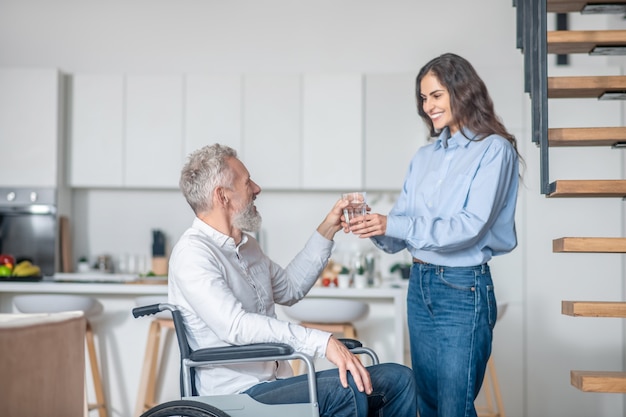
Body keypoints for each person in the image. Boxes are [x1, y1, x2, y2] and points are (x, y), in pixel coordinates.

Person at [168, 143, 417, 417]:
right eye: (247, 181)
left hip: (276, 383)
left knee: (399, 379)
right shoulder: (193, 254)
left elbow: (290, 288)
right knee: (346, 388)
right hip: (236, 392)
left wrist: (329, 227)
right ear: (222, 196)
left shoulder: (247, 246)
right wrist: (322, 342)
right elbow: (235, 326)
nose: (256, 188)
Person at [347, 53, 521, 417]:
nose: (428, 107)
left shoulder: (494, 149)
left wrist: (392, 224)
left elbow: (469, 227)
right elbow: (401, 227)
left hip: (462, 287)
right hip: (420, 284)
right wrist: (372, 225)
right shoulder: (424, 157)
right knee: (425, 405)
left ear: (463, 92)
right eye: (424, 98)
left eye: (436, 95)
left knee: (453, 408)